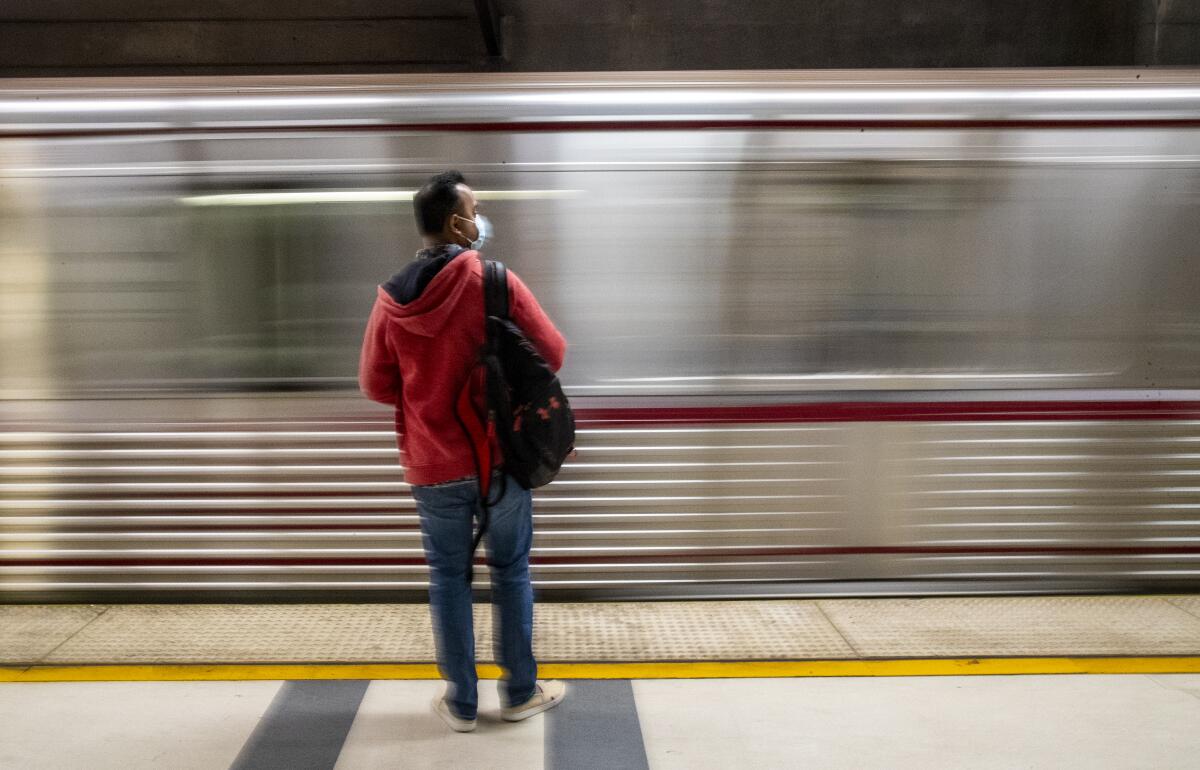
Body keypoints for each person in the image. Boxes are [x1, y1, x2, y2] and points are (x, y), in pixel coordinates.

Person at [358, 170, 568, 732]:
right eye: (474, 209)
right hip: (500, 463)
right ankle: (520, 692)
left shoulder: (391, 298)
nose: (479, 218)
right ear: (456, 222)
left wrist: (426, 384)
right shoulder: (494, 280)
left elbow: (376, 385)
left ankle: (462, 703)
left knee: (448, 577)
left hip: (433, 465)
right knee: (511, 573)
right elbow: (552, 351)